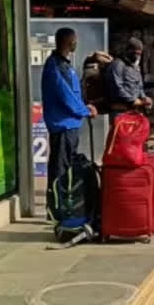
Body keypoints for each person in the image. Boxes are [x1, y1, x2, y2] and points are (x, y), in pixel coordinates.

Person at [41, 28, 97, 216]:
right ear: (67, 41)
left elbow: (75, 94)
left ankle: (66, 205)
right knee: (60, 168)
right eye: (74, 40)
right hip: (62, 125)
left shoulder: (66, 65)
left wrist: (85, 107)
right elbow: (65, 95)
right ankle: (56, 210)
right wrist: (84, 111)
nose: (76, 43)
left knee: (67, 169)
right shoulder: (54, 66)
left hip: (70, 125)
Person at [105, 37, 152, 122]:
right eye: (136, 53)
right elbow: (117, 87)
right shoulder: (117, 65)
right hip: (120, 111)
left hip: (135, 110)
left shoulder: (135, 67)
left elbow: (139, 86)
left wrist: (144, 98)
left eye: (139, 54)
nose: (137, 57)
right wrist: (133, 100)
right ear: (128, 51)